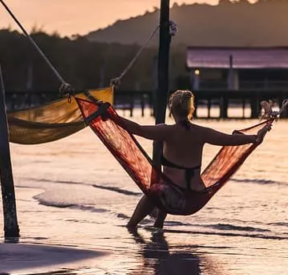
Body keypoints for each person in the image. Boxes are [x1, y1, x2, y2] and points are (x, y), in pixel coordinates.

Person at [115, 89, 270, 231]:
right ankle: (158, 224)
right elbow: (229, 139)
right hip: (195, 199)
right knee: (165, 185)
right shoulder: (201, 132)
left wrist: (111, 116)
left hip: (173, 199)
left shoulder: (167, 131)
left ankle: (132, 225)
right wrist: (254, 137)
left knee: (154, 191)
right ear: (191, 110)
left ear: (172, 110)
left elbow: (137, 129)